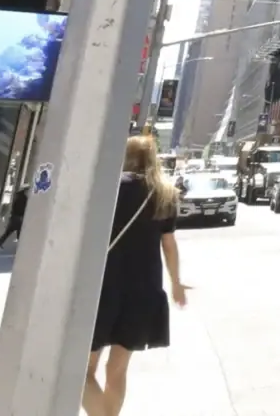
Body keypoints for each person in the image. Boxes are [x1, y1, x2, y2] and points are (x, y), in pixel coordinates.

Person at [86, 136, 187, 416]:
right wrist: (176, 283)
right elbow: (169, 243)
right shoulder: (165, 192)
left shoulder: (109, 187)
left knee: (82, 370)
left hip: (104, 287)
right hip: (145, 289)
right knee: (117, 371)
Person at [0, 183, 29, 249]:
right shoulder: (23, 198)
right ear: (25, 190)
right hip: (18, 217)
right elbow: (21, 208)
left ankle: (0, 242)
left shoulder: (18, 196)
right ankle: (21, 246)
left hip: (15, 216)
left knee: (11, 230)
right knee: (17, 231)